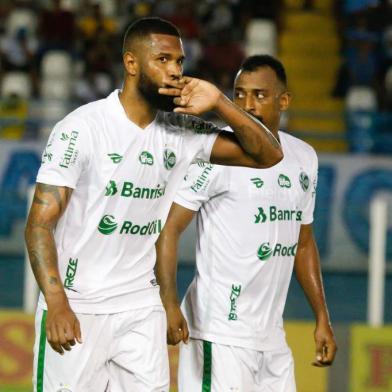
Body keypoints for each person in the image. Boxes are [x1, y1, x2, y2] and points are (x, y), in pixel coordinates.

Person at [24, 18, 282, 392]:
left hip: (140, 306)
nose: (175, 71)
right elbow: (39, 224)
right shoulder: (82, 128)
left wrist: (220, 103)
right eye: (163, 59)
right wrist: (57, 302)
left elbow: (269, 156)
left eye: (179, 61)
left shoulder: (182, 131)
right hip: (79, 305)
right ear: (131, 64)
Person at [156, 54, 337, 391]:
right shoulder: (217, 153)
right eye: (239, 94)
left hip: (271, 337)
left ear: (284, 101)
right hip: (218, 332)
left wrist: (322, 317)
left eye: (259, 95)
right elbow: (169, 229)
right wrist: (168, 303)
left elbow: (303, 244)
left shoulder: (304, 157)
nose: (248, 104)